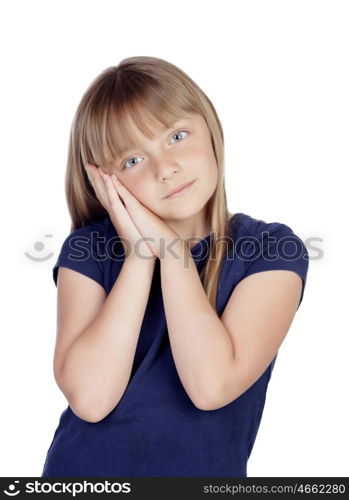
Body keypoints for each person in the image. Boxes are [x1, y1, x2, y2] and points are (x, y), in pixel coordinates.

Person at [41, 56, 309, 477]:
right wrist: (141, 255)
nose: (166, 169)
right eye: (132, 161)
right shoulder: (89, 249)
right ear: (105, 183)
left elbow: (211, 386)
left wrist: (173, 253)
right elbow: (91, 400)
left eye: (177, 136)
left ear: (211, 128)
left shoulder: (270, 249)